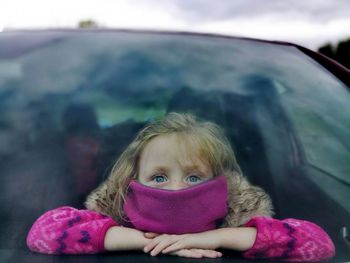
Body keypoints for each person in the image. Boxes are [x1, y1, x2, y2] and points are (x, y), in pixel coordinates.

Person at [27, 113, 335, 261]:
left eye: (194, 177)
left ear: (221, 183)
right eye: (159, 177)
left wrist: (219, 236)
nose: (175, 189)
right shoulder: (118, 216)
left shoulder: (237, 220)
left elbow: (319, 244)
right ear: (132, 183)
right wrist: (141, 239)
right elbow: (41, 233)